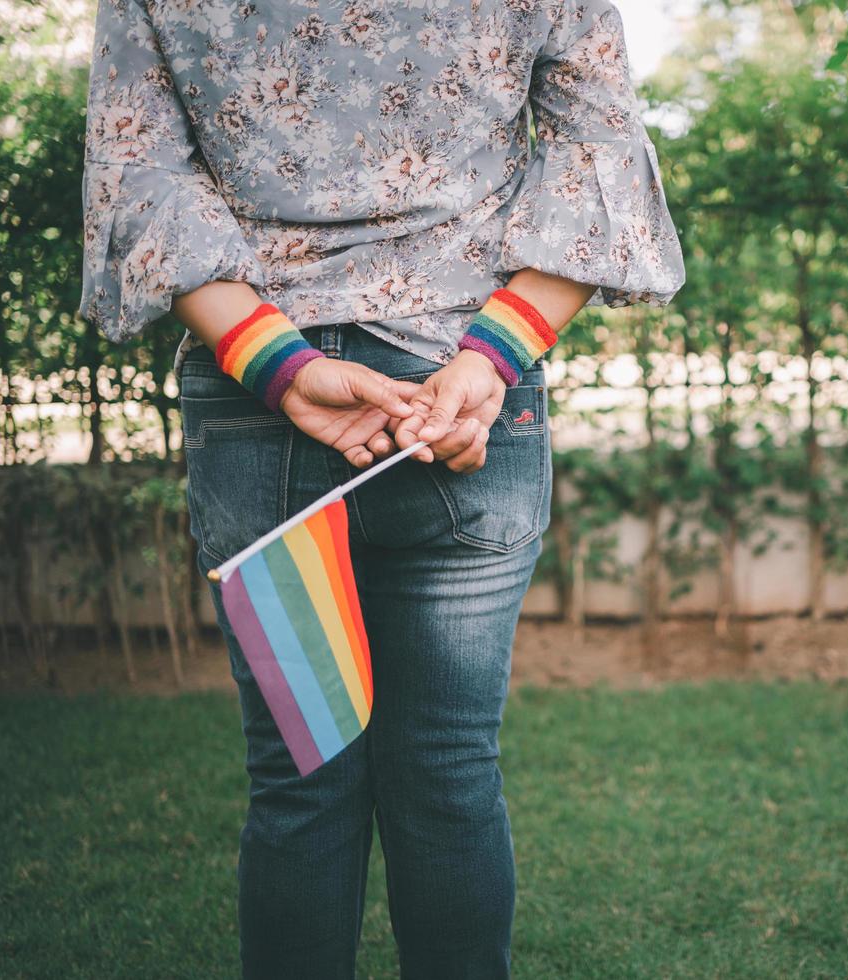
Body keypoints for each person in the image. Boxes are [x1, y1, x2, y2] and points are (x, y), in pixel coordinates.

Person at [77, 1, 685, 976]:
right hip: (465, 404)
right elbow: (597, 158)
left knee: (302, 781)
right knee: (446, 772)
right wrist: (485, 365)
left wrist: (280, 365)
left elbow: (139, 177)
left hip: (258, 408)